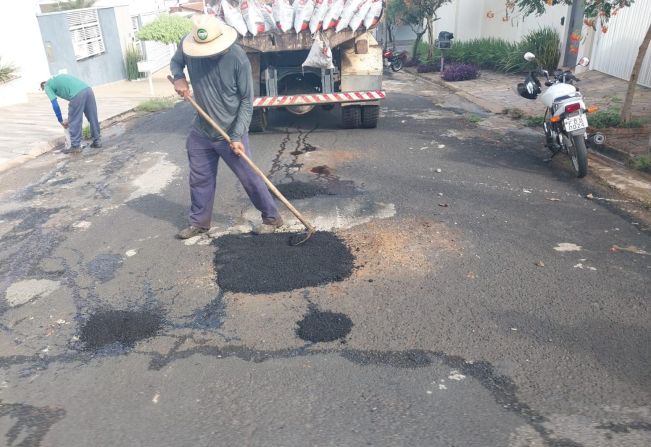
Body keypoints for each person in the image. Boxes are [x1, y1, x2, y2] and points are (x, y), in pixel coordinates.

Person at [170, 14, 283, 239]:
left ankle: (272, 217)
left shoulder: (237, 58)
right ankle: (200, 223)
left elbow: (246, 101)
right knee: (199, 178)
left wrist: (237, 135)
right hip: (202, 130)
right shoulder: (189, 45)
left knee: (249, 176)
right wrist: (178, 78)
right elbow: (176, 63)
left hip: (231, 131)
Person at [40, 74, 101, 153]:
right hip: (88, 89)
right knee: (92, 117)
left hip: (77, 94)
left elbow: (55, 104)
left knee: (74, 120)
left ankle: (75, 146)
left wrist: (60, 120)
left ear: (43, 85)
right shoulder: (58, 78)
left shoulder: (47, 86)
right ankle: (97, 142)